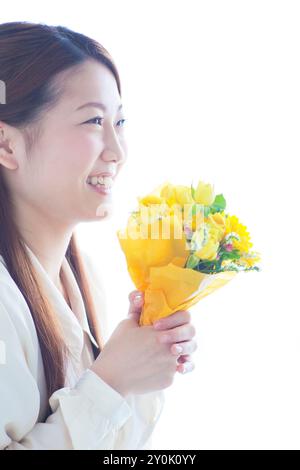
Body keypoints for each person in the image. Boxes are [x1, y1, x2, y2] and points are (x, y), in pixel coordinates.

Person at [0, 21, 197, 450]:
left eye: (120, 121)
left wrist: (144, 363)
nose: (118, 151)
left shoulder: (85, 277)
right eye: (93, 120)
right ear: (7, 145)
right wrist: (110, 382)